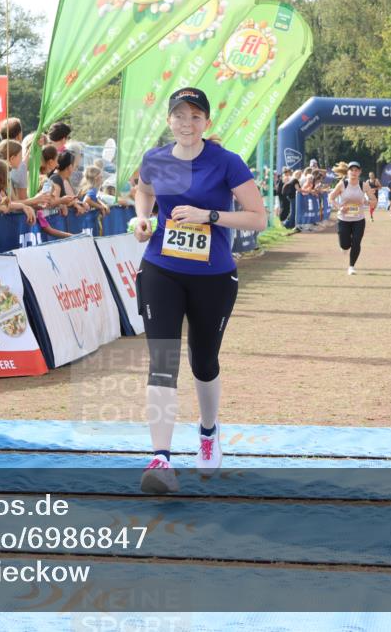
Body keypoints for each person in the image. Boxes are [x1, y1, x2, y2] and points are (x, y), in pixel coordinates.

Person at [132, 87, 267, 494]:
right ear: (168, 120)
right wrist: (143, 218)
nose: (186, 124)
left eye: (194, 117)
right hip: (162, 269)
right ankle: (161, 458)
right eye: (179, 116)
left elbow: (257, 218)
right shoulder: (157, 158)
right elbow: (145, 190)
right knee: (162, 361)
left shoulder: (226, 162)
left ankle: (208, 431)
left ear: (206, 122)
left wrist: (208, 215)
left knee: (203, 361)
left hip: (213, 276)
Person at [328, 161, 370, 275]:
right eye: (352, 170)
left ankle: (351, 266)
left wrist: (367, 201)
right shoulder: (342, 184)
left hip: (359, 219)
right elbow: (331, 198)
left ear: (360, 172)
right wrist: (339, 207)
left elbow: (372, 200)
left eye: (356, 170)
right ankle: (344, 247)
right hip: (343, 219)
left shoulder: (363, 185)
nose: (354, 172)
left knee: (356, 242)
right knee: (345, 245)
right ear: (348, 172)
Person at [0, 158, 36, 224]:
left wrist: (23, 206)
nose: (8, 180)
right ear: (1, 177)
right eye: (7, 176)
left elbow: (9, 205)